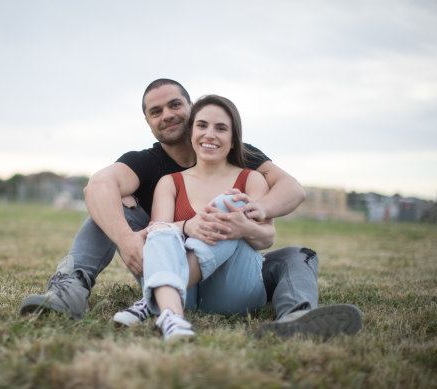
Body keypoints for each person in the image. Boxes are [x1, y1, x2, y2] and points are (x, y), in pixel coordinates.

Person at [20, 78, 362, 339]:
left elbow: (291, 189)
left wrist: (252, 212)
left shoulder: (237, 153)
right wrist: (127, 240)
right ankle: (70, 289)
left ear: (190, 107)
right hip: (163, 255)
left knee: (295, 254)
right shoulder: (149, 163)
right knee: (111, 208)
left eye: (174, 105)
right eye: (156, 111)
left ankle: (295, 318)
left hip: (233, 267)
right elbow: (97, 186)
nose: (167, 115)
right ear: (149, 122)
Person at [134, 95, 273, 340]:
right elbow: (159, 234)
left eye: (221, 128)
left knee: (228, 202)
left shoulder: (251, 179)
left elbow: (267, 239)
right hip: (186, 297)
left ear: (232, 140)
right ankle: (171, 314)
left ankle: (157, 295)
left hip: (235, 293)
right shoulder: (170, 183)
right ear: (191, 133)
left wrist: (244, 229)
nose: (210, 134)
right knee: (161, 232)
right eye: (202, 125)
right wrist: (188, 225)